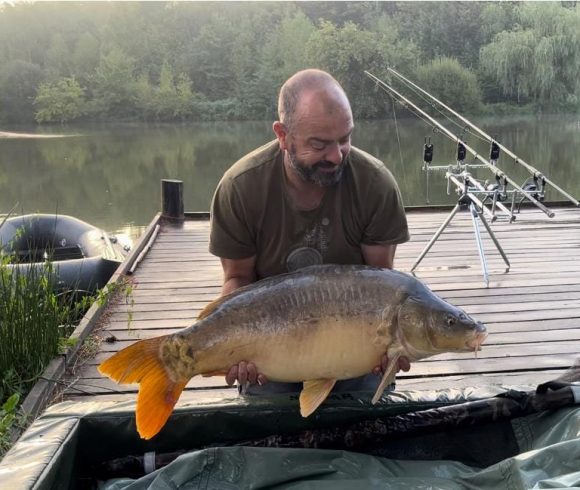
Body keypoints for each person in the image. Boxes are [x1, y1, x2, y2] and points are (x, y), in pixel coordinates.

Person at [209, 68, 411, 394]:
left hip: (354, 351)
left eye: (344, 139)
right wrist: (237, 351)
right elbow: (238, 279)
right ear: (283, 135)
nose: (335, 156)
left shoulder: (375, 184)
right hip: (271, 348)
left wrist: (391, 346)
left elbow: (381, 284)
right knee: (266, 432)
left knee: (374, 422)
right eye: (318, 144)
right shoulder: (240, 187)